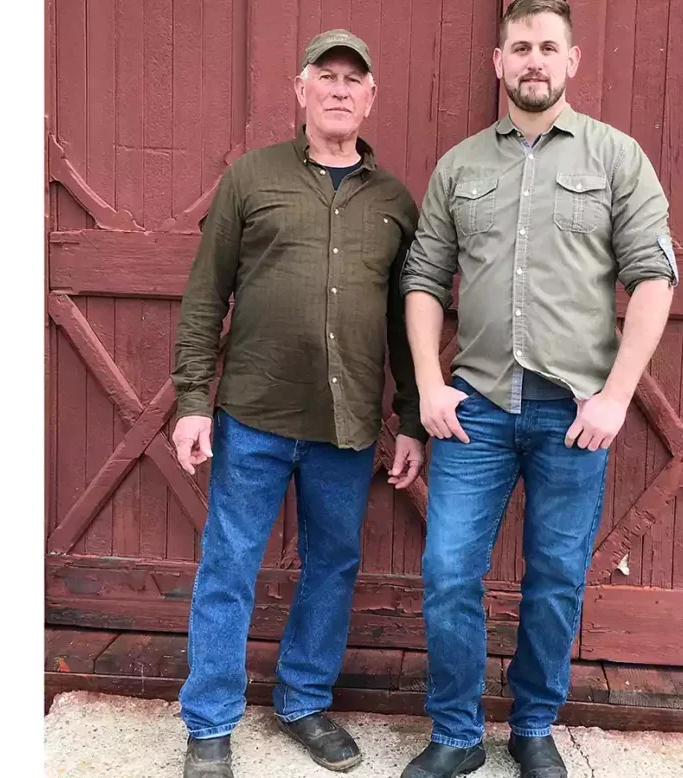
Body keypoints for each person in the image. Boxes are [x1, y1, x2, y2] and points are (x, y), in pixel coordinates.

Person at [398, 1, 679, 776]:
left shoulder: (616, 159)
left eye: (547, 47)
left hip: (574, 415)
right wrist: (429, 384)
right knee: (449, 572)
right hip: (476, 410)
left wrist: (617, 395)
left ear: (571, 62)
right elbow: (423, 279)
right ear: (498, 62)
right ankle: (456, 736)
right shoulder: (461, 167)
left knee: (554, 580)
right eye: (519, 47)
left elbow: (654, 278)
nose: (533, 60)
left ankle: (533, 726)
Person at [171, 28, 427, 778]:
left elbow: (406, 317)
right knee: (228, 564)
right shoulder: (251, 179)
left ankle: (304, 702)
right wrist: (192, 400)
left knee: (333, 566)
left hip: (345, 431)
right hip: (251, 417)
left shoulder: (393, 201)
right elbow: (203, 295)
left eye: (355, 78)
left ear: (371, 97)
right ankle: (209, 721)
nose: (341, 88)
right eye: (327, 75)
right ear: (302, 89)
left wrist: (411, 418)